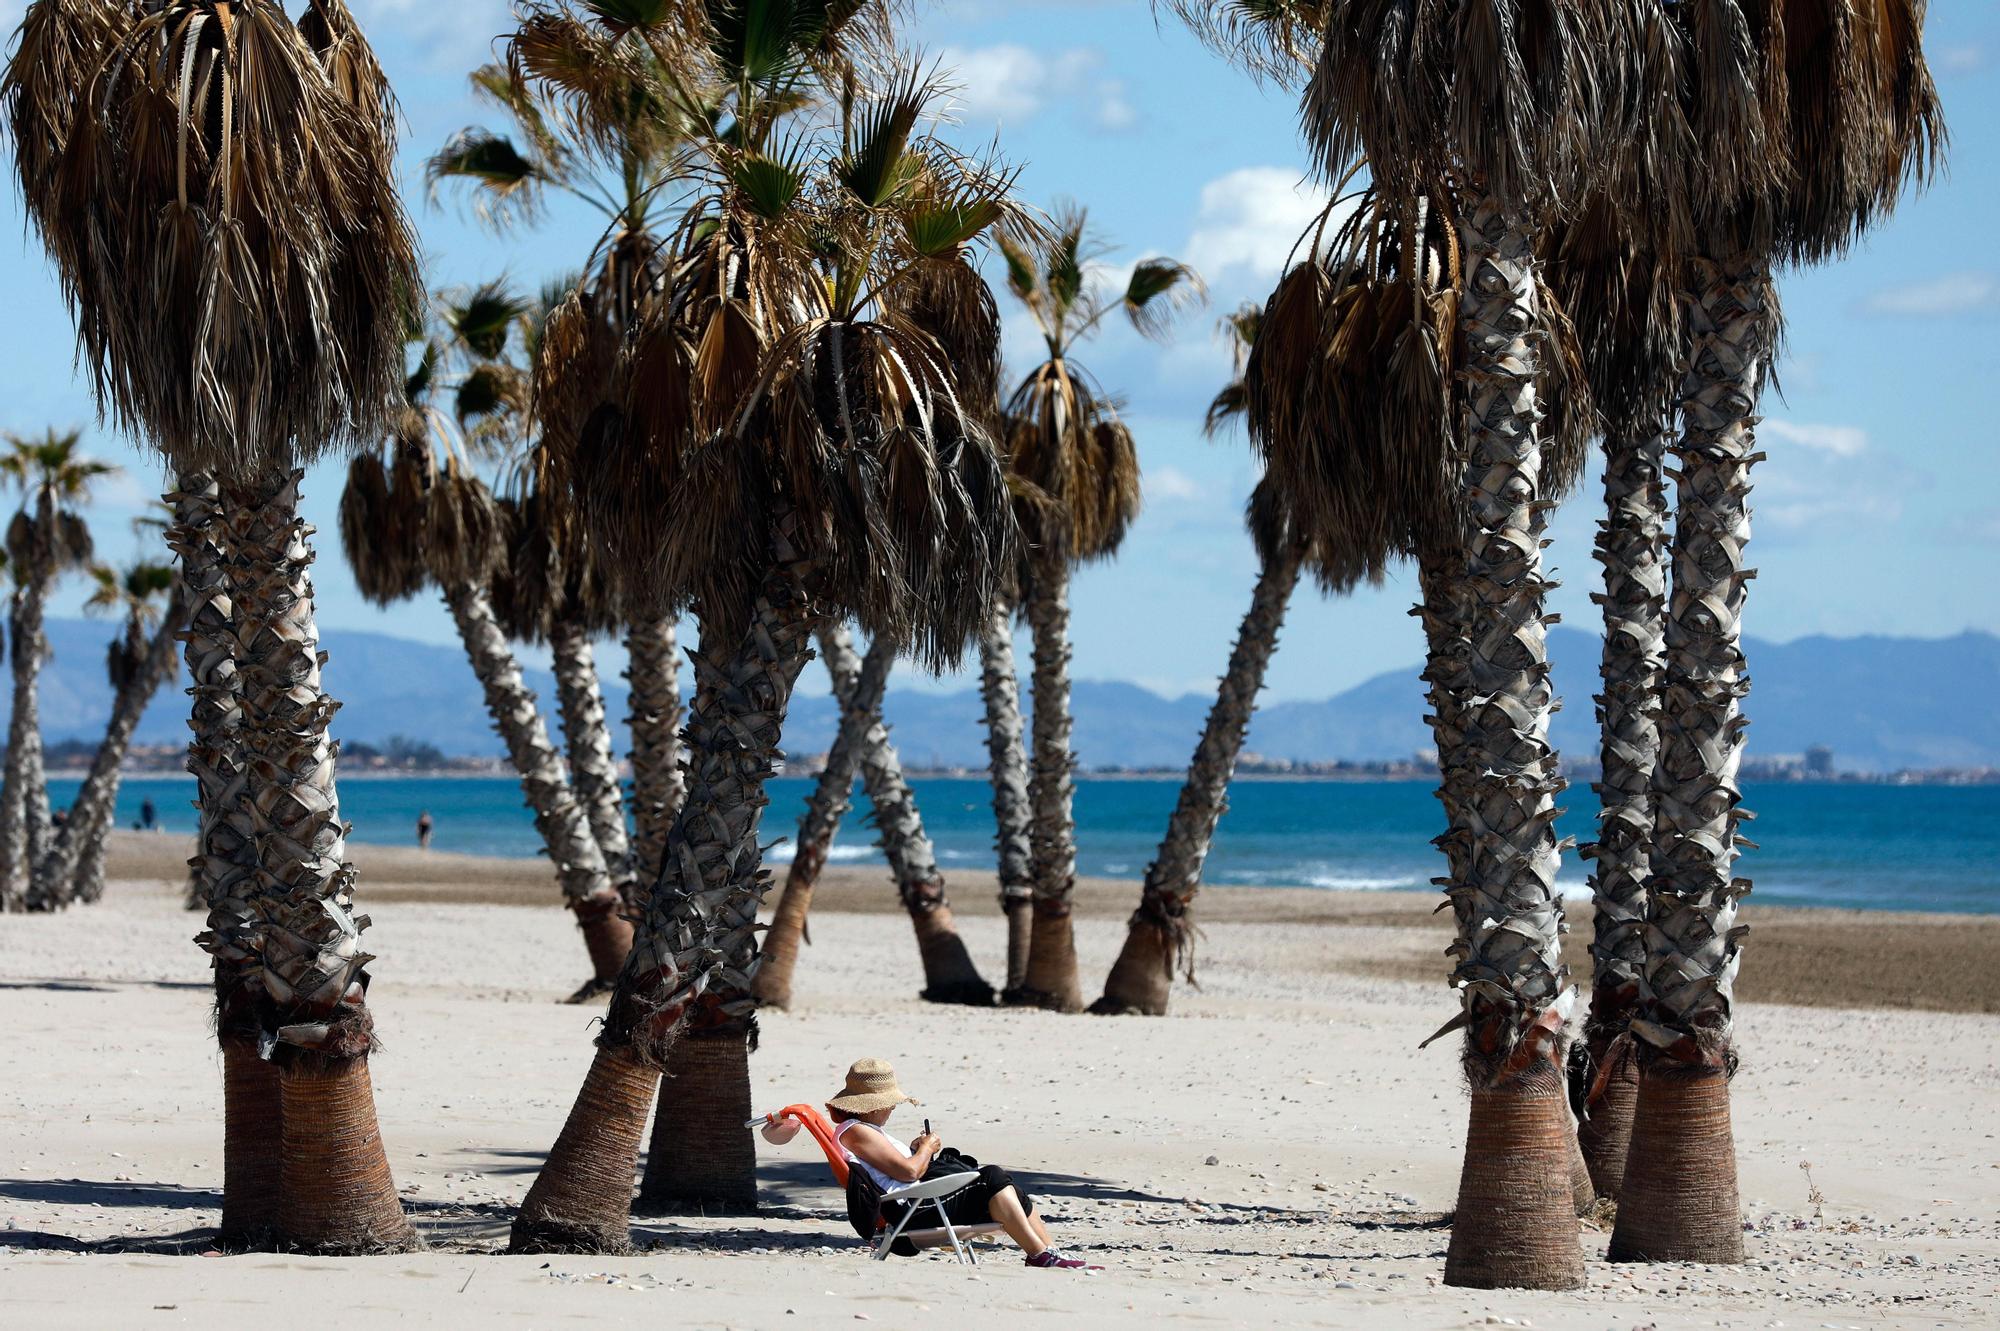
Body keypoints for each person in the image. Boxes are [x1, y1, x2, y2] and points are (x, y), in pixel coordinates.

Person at [826, 1058, 1096, 1270]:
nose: (892, 1109)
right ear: (872, 1106)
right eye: (890, 1105)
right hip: (913, 1209)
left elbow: (895, 1169)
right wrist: (927, 1149)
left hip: (917, 1201)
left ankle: (1048, 1252)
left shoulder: (863, 1129)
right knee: (991, 1177)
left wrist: (916, 1150)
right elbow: (909, 1172)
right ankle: (1039, 1255)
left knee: (1005, 1186)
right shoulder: (856, 1131)